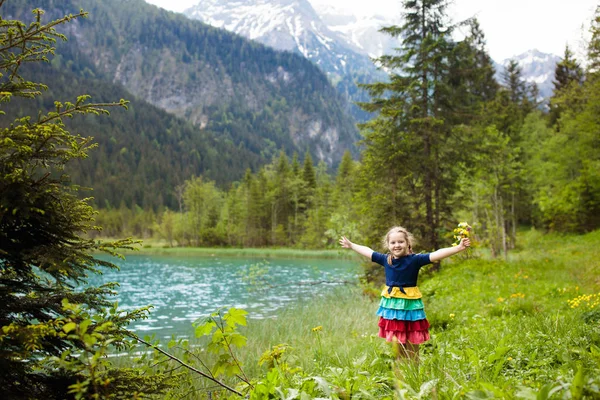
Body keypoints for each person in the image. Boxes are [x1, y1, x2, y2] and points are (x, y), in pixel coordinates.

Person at [339, 226, 470, 361]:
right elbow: (368, 251)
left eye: (400, 242)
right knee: (398, 340)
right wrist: (351, 245)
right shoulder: (386, 259)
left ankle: (414, 367)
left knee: (413, 338)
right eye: (393, 242)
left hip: (410, 307)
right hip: (394, 309)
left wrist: (458, 248)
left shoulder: (415, 260)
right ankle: (401, 368)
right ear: (388, 245)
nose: (397, 245)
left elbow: (436, 254)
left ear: (408, 243)